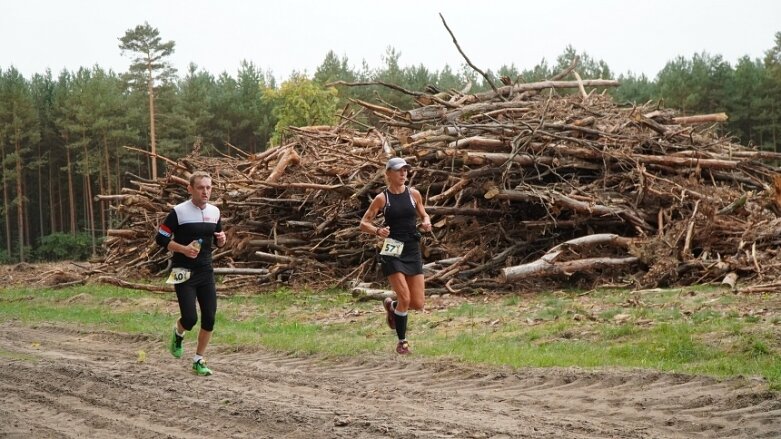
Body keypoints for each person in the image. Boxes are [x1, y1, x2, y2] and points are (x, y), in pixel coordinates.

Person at [155, 171, 226, 376]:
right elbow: (160, 239)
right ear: (190, 189)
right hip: (182, 270)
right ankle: (178, 333)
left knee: (210, 318)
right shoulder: (178, 212)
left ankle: (198, 360)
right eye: (201, 187)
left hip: (205, 270)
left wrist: (221, 241)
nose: (206, 191)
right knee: (189, 318)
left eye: (209, 187)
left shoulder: (215, 211)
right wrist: (183, 249)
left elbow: (218, 239)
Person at [360, 157, 432, 354]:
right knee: (406, 298)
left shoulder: (414, 194)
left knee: (417, 303)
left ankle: (392, 306)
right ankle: (402, 342)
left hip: (411, 247)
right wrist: (377, 231)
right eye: (399, 170)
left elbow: (424, 214)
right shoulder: (382, 198)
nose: (403, 174)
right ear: (388, 174)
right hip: (393, 247)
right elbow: (363, 223)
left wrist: (426, 222)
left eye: (406, 170)